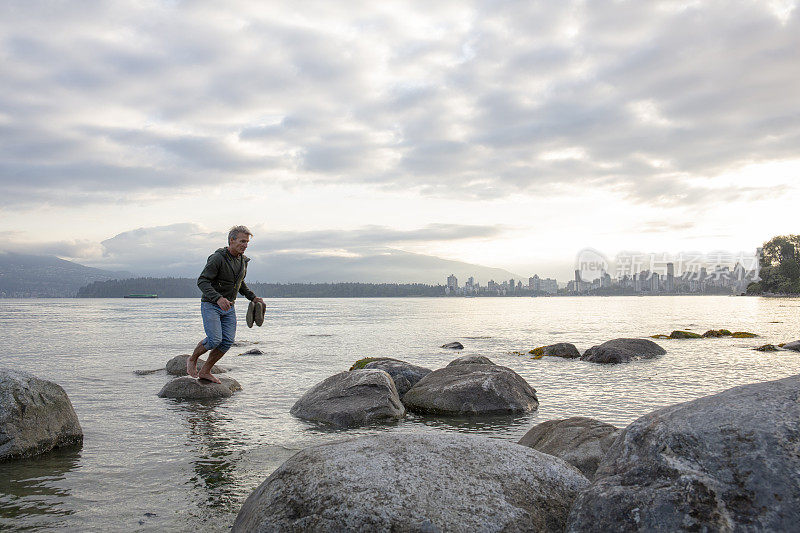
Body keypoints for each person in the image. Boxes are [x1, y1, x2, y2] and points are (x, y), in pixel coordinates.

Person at [187, 225, 265, 383]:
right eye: (242, 241)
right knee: (215, 339)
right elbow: (202, 281)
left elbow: (240, 283)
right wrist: (218, 298)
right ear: (232, 240)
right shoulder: (217, 258)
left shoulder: (243, 261)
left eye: (247, 242)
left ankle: (205, 371)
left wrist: (253, 297)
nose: (245, 245)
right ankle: (193, 358)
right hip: (211, 304)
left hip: (229, 307)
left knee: (227, 341)